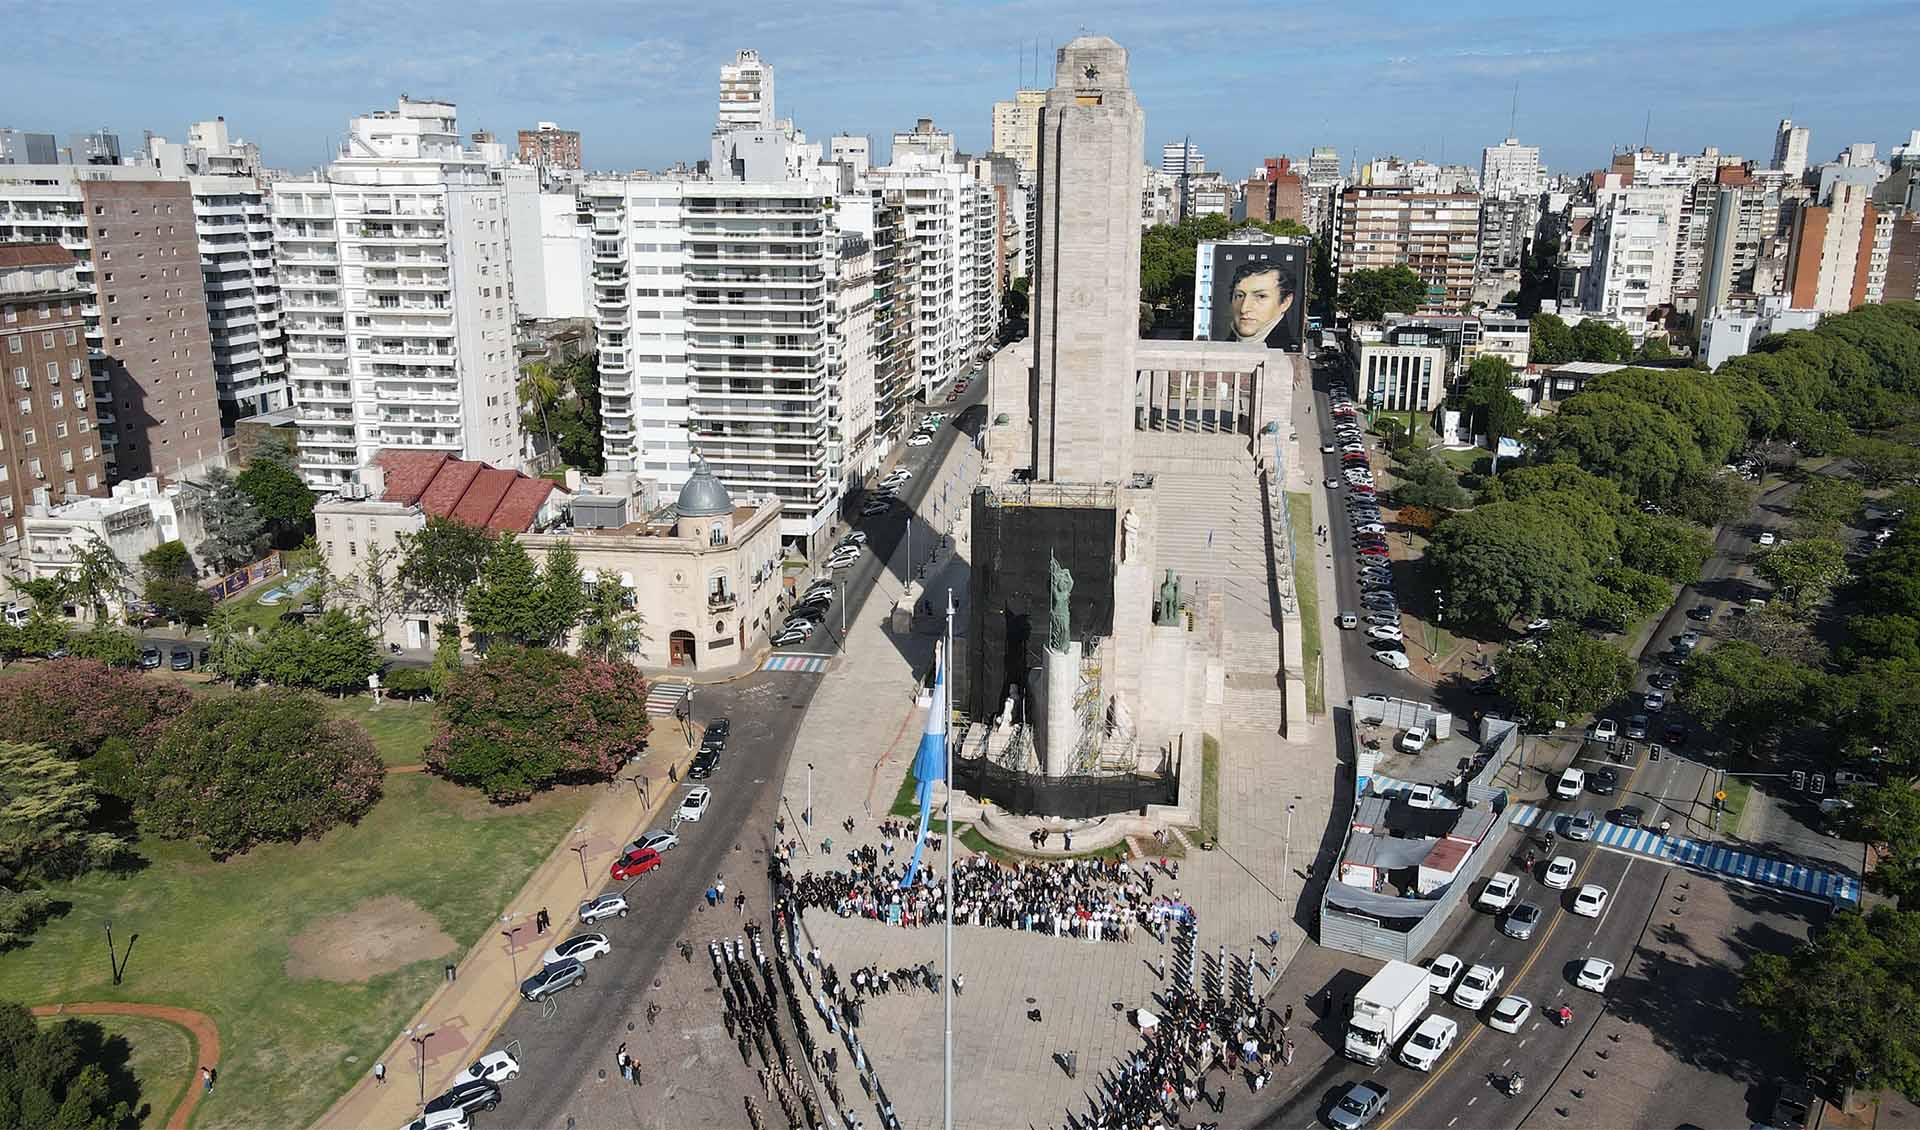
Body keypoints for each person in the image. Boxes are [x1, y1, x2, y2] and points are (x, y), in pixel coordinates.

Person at [1221, 259, 1301, 352]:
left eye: (1261, 296)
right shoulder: (1220, 349)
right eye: (1239, 296)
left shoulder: (1291, 356)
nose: (1244, 308)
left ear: (1285, 302)